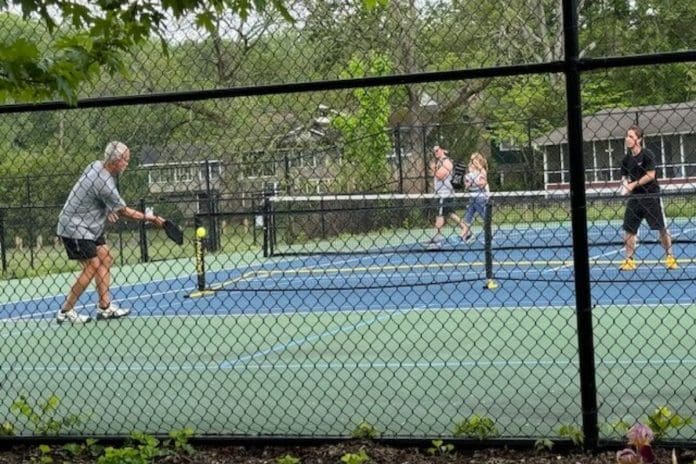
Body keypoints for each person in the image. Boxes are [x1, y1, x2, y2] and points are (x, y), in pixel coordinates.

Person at [56, 141, 165, 323]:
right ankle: (66, 311)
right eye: (126, 160)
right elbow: (123, 211)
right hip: (74, 226)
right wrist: (151, 218)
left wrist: (107, 209)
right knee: (92, 265)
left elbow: (91, 194)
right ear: (115, 161)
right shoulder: (104, 182)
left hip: (90, 226)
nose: (127, 164)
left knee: (105, 257)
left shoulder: (95, 164)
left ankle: (104, 307)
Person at [619, 125, 678, 271]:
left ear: (639, 139)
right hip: (635, 198)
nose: (628, 139)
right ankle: (629, 260)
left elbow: (651, 175)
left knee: (662, 228)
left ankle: (670, 257)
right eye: (627, 136)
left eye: (631, 136)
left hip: (651, 196)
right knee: (629, 230)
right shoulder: (625, 160)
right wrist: (625, 186)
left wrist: (633, 185)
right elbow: (624, 178)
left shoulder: (647, 155)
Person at [427, 145, 467, 245]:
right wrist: (435, 169)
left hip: (445, 193)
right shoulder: (439, 163)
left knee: (439, 214)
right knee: (450, 213)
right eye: (434, 151)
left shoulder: (447, 162)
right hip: (440, 193)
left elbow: (440, 175)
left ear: (443, 150)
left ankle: (436, 237)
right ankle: (466, 228)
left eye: (437, 150)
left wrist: (433, 169)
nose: (435, 152)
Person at [461, 152, 490, 242]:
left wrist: (475, 182)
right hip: (472, 196)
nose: (471, 165)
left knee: (484, 216)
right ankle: (463, 236)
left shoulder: (481, 171)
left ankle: (488, 234)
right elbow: (466, 185)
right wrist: (469, 183)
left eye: (473, 161)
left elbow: (483, 183)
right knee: (468, 216)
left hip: (479, 196)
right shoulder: (470, 173)